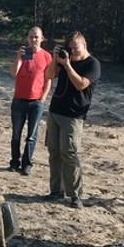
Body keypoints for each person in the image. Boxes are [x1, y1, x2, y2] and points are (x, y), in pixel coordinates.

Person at [44, 32, 100, 208]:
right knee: (54, 152)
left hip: (73, 116)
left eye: (76, 48)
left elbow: (81, 84)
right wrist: (55, 60)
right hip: (55, 111)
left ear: (84, 45)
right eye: (70, 48)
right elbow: (49, 75)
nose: (73, 51)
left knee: (69, 154)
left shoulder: (92, 64)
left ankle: (76, 195)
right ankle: (56, 191)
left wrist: (68, 65)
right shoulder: (64, 59)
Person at [9, 26, 55, 175]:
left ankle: (27, 164)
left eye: (36, 37)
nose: (33, 40)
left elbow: (48, 78)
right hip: (19, 99)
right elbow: (14, 72)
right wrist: (18, 58)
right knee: (16, 134)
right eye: (31, 37)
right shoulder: (22, 54)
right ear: (27, 39)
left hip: (36, 101)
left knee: (31, 136)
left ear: (42, 39)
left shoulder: (46, 56)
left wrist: (43, 98)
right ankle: (14, 162)